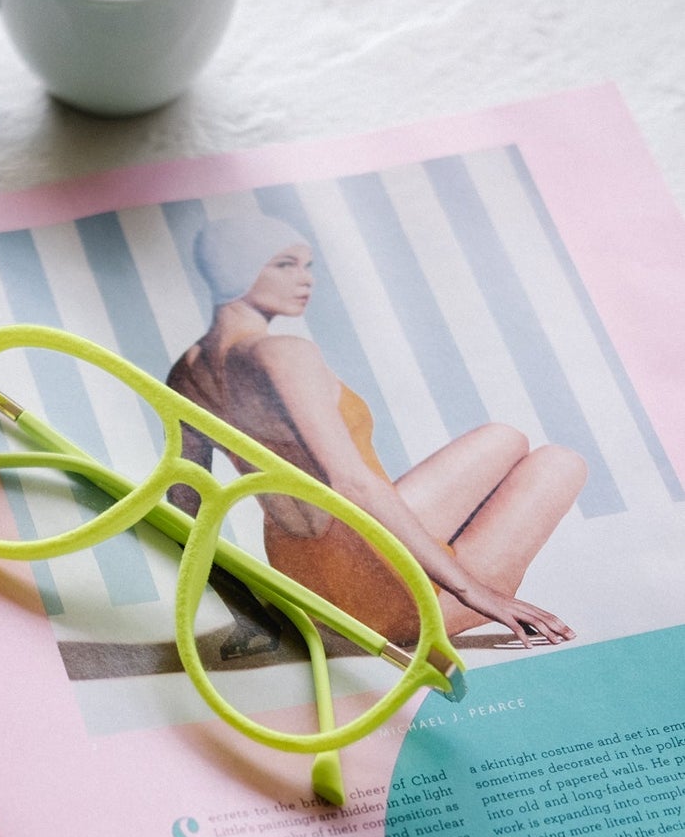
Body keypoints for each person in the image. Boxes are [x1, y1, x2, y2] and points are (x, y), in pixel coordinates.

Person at [166, 213, 587, 649]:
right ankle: (447, 574)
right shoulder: (283, 354)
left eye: (308, 266)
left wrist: (247, 612)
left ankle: (438, 556)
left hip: (309, 588)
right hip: (388, 603)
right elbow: (351, 482)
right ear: (237, 267)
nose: (305, 279)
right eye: (285, 265)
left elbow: (184, 507)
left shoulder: (187, 371)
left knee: (505, 438)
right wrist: (472, 591)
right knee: (560, 462)